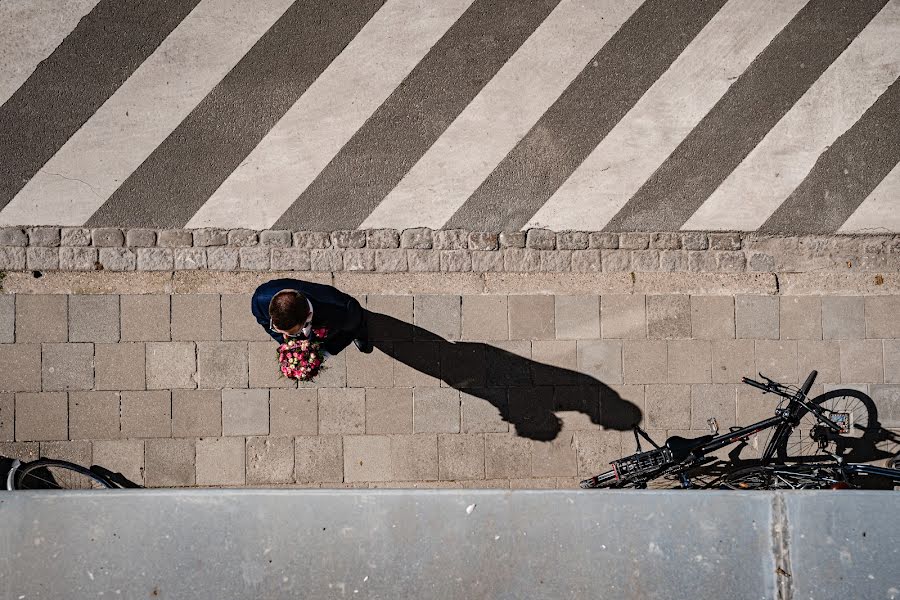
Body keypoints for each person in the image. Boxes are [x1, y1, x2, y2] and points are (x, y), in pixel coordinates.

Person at [251, 278, 372, 356]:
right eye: (276, 328)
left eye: (293, 333)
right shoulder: (260, 300)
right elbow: (264, 322)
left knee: (356, 325)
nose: (285, 336)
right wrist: (288, 344)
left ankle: (362, 333)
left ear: (308, 316)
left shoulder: (342, 309)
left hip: (348, 318)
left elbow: (348, 332)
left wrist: (327, 352)